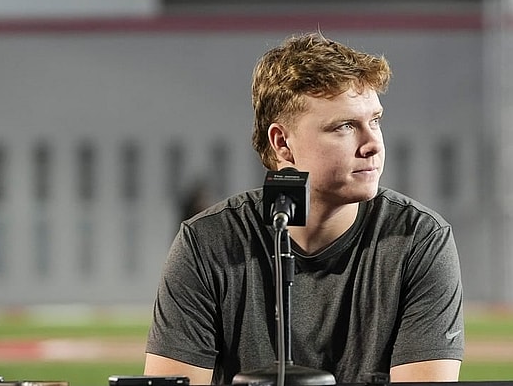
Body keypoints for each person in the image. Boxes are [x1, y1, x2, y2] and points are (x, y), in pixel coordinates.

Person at [144, 32, 464, 384]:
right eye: (345, 126)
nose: (373, 143)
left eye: (375, 120)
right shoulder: (208, 244)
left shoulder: (419, 241)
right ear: (283, 143)